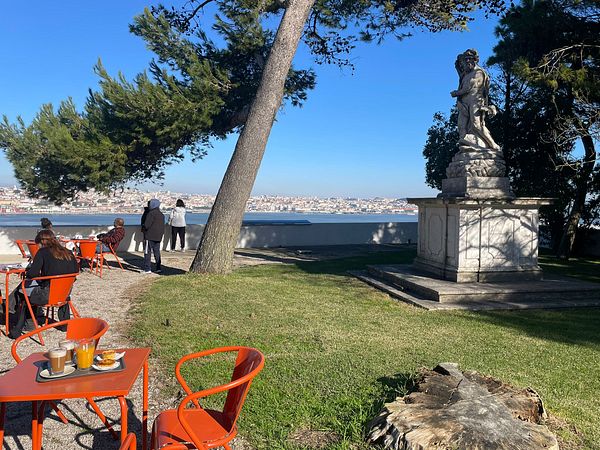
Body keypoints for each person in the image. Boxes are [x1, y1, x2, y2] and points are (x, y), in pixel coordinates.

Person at [9, 230, 78, 338]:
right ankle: (65, 324)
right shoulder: (68, 252)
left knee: (24, 291)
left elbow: (32, 274)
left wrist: (34, 272)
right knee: (26, 287)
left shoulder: (42, 252)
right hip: (65, 294)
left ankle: (19, 326)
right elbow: (75, 273)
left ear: (41, 242)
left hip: (47, 295)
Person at [450, 49, 500, 151]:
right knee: (461, 125)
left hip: (475, 101)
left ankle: (493, 145)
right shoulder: (465, 74)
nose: (466, 63)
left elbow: (468, 87)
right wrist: (458, 68)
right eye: (464, 61)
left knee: (477, 125)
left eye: (468, 60)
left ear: (473, 61)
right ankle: (466, 145)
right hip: (464, 103)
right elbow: (462, 78)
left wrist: (456, 93)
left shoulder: (478, 72)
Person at [142, 199, 165, 274]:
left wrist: (143, 227)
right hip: (158, 236)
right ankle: (158, 267)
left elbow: (146, 225)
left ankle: (147, 269)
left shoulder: (151, 213)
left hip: (149, 236)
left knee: (147, 252)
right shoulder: (161, 214)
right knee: (157, 252)